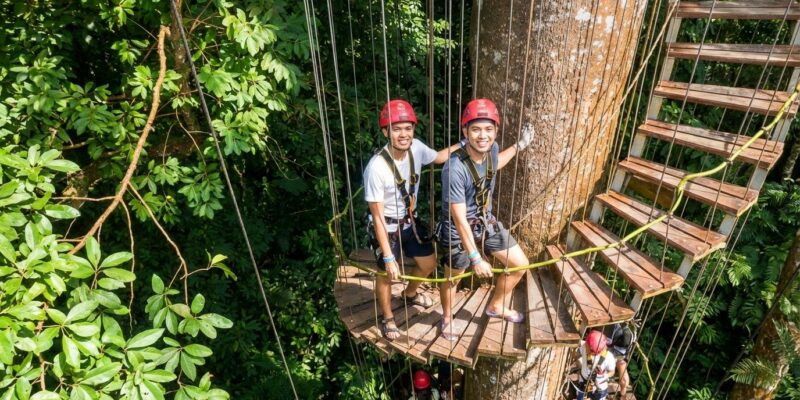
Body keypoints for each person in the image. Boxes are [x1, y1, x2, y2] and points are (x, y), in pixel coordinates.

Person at [437, 98, 534, 340]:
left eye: (488, 129)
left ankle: (496, 305)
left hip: (484, 222)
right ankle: (447, 317)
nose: (483, 135)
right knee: (453, 277)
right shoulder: (454, 168)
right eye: (476, 129)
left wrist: (519, 146)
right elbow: (459, 219)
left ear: (496, 131)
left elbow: (496, 163)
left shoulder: (491, 149)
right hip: (457, 229)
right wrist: (475, 258)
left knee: (520, 264)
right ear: (465, 132)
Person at [364, 99, 458, 340]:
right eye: (396, 129)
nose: (403, 134)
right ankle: (388, 317)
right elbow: (377, 217)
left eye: (408, 128)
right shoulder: (376, 168)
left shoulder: (416, 148)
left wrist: (465, 144)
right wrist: (388, 257)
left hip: (410, 222)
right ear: (386, 132)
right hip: (386, 226)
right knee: (386, 274)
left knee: (429, 263)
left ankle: (409, 294)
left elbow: (439, 157)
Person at [576, 330, 617, 400]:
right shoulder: (585, 346)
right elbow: (577, 353)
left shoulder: (609, 357)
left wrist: (605, 375)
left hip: (599, 387)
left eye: (587, 346)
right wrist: (580, 365)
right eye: (586, 344)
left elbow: (612, 372)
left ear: (594, 352)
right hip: (584, 383)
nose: (585, 346)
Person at [605, 323, 634, 398]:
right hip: (623, 353)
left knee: (603, 366)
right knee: (622, 367)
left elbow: (607, 342)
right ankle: (623, 393)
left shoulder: (613, 325)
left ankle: (601, 389)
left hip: (613, 352)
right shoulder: (627, 329)